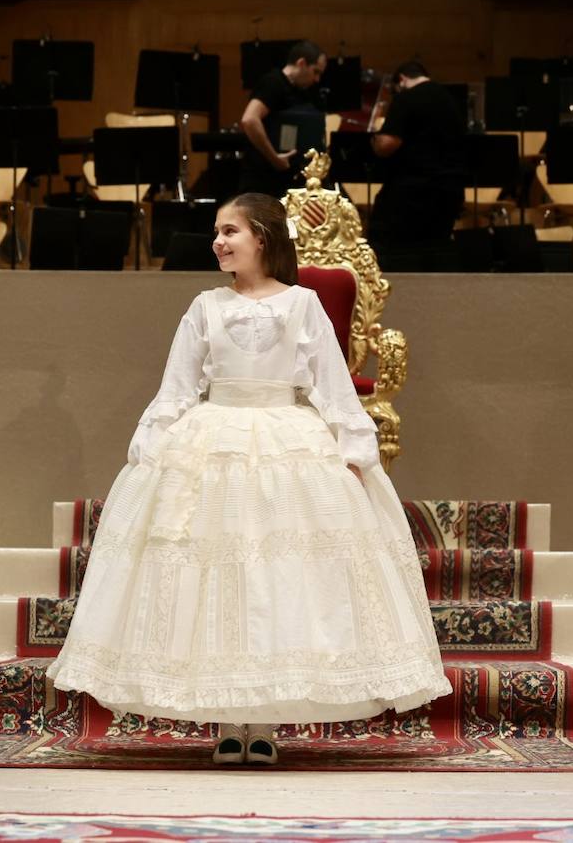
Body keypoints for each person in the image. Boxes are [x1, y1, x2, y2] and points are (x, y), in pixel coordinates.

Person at [46, 192, 450, 766]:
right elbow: (178, 383)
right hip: (215, 436)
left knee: (274, 575)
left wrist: (356, 450)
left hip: (286, 437)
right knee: (217, 574)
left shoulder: (303, 303)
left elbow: (331, 384)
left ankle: (262, 722)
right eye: (217, 231)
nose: (219, 241)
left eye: (230, 230)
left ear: (262, 236)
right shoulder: (205, 305)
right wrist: (153, 441)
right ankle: (229, 721)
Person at [367, 61, 466, 272]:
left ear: (401, 80)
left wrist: (376, 137)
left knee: (394, 248)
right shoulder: (451, 99)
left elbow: (387, 144)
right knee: (435, 251)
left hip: (413, 193)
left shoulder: (406, 98)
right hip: (450, 190)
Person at [237, 40, 326, 198]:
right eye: (315, 72)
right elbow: (249, 120)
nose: (317, 79)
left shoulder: (301, 91)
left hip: (286, 180)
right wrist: (274, 158)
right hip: (263, 181)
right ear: (301, 63)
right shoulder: (273, 83)